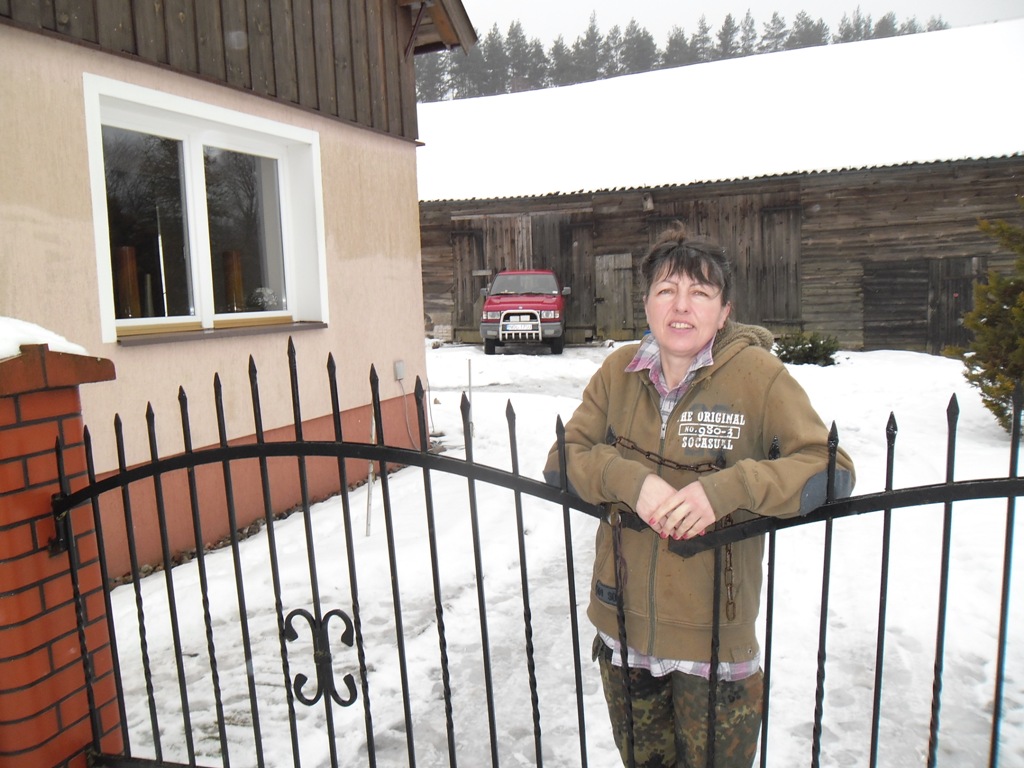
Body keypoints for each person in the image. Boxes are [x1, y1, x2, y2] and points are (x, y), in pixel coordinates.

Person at [544, 224, 855, 767]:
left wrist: (727, 489)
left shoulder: (759, 376)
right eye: (666, 290)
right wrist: (630, 481)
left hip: (715, 647)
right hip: (623, 634)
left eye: (700, 292)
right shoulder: (617, 373)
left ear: (725, 310)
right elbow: (561, 459)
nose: (681, 306)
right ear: (646, 303)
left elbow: (830, 468)